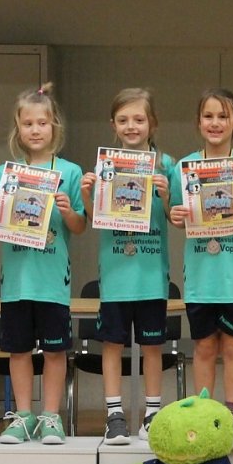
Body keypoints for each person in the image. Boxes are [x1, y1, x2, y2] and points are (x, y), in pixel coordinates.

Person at [0, 83, 86, 445]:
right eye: (28, 124)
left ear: (54, 126)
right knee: (19, 350)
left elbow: (80, 226)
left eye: (42, 123)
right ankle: (23, 415)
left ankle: (50, 416)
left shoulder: (69, 172)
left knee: (56, 352)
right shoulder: (4, 174)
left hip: (53, 282)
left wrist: (69, 210)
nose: (36, 130)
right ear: (18, 128)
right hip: (16, 282)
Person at [169, 88, 233, 450]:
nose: (215, 123)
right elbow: (179, 217)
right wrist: (176, 215)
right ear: (199, 123)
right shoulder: (185, 167)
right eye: (208, 116)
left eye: (222, 116)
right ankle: (205, 414)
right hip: (200, 276)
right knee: (204, 347)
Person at [79, 88, 175, 445]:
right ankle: (114, 415)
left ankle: (152, 414)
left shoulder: (167, 165)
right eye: (123, 120)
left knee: (153, 347)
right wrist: (88, 193)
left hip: (151, 275)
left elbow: (178, 219)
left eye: (138, 119)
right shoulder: (105, 166)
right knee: (112, 345)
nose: (131, 126)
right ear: (113, 125)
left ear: (152, 123)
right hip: (116, 274)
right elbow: (92, 220)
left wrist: (167, 195)